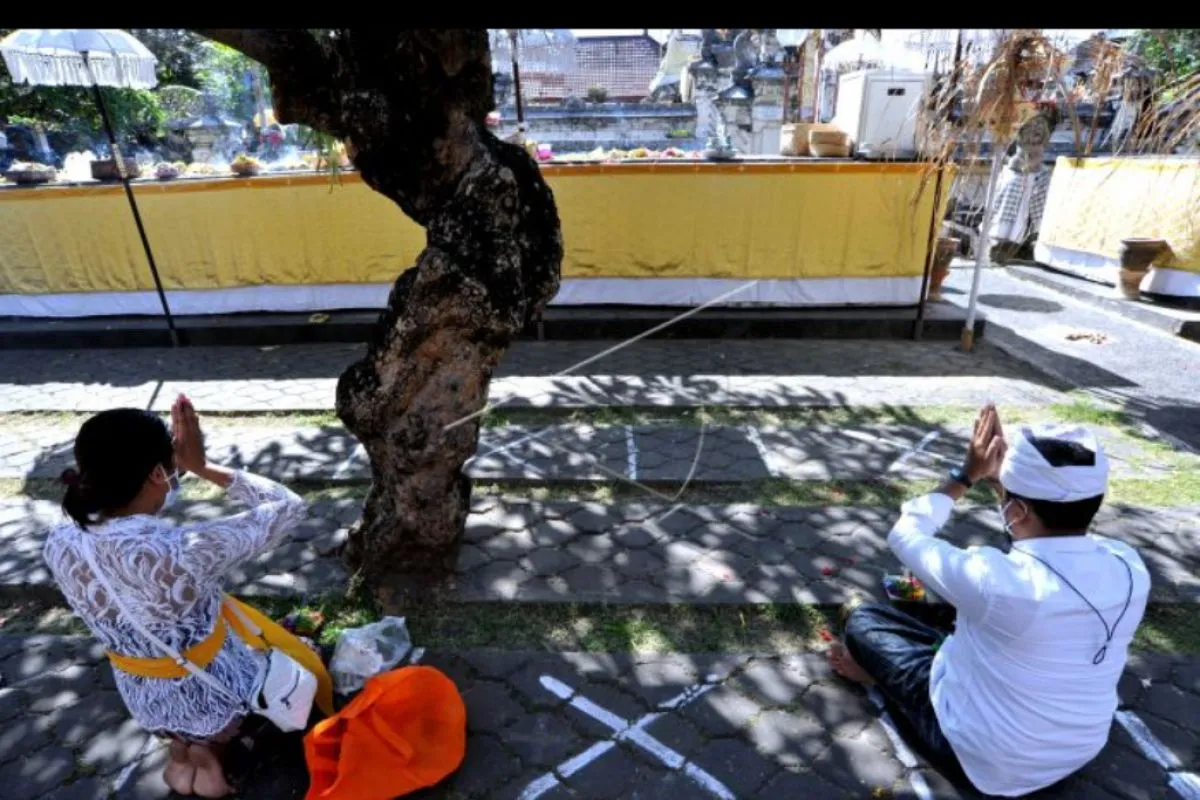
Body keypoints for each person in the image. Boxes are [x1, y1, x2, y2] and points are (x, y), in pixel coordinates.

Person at [828, 404, 1150, 797]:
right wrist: (1006, 487)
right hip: (1079, 749)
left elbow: (906, 534)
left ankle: (877, 680)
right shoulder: (1129, 564)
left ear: (1017, 509)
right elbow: (1037, 534)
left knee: (863, 618)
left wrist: (967, 474)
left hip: (983, 762)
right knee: (936, 600)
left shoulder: (992, 579)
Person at [44, 395, 309, 798]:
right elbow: (289, 507)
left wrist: (170, 466)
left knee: (178, 697)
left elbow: (135, 513)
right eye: (171, 469)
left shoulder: (60, 539)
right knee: (265, 673)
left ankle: (181, 754)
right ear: (156, 473)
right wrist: (201, 465)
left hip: (140, 686)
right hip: (214, 684)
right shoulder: (182, 550)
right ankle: (212, 763)